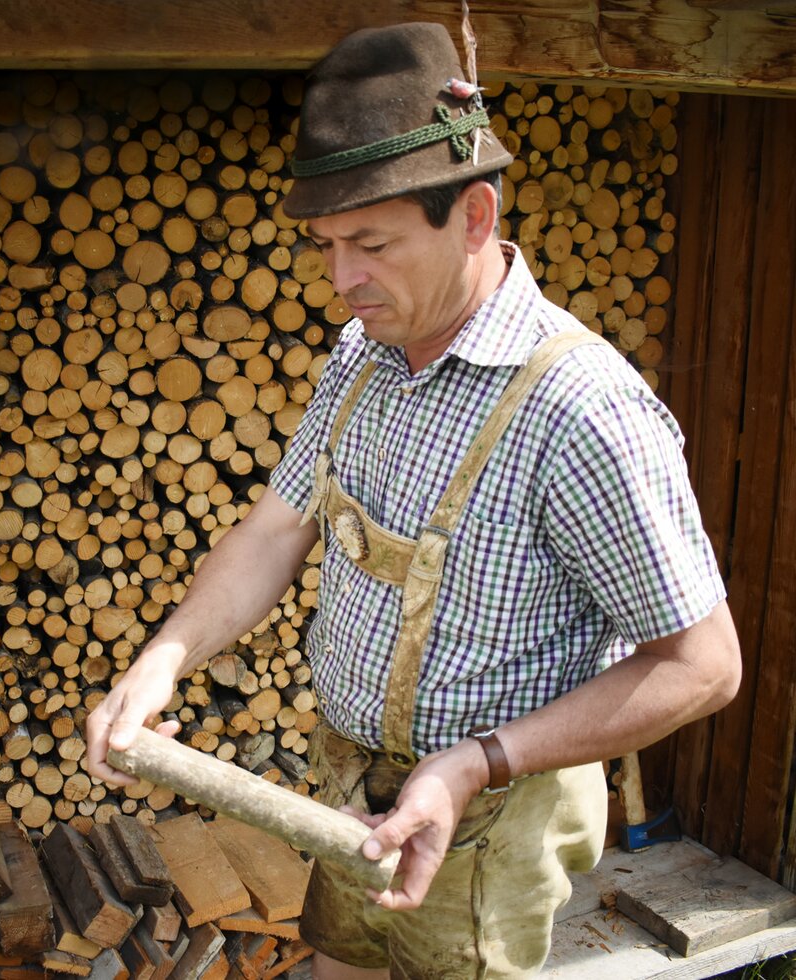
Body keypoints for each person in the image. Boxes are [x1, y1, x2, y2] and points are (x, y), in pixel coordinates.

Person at [86, 21, 740, 980]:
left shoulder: (583, 410)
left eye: (372, 243)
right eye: (325, 245)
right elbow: (278, 526)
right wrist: (164, 658)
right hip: (346, 790)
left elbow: (703, 666)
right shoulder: (363, 357)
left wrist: (476, 760)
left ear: (474, 217)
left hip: (490, 816)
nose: (342, 280)